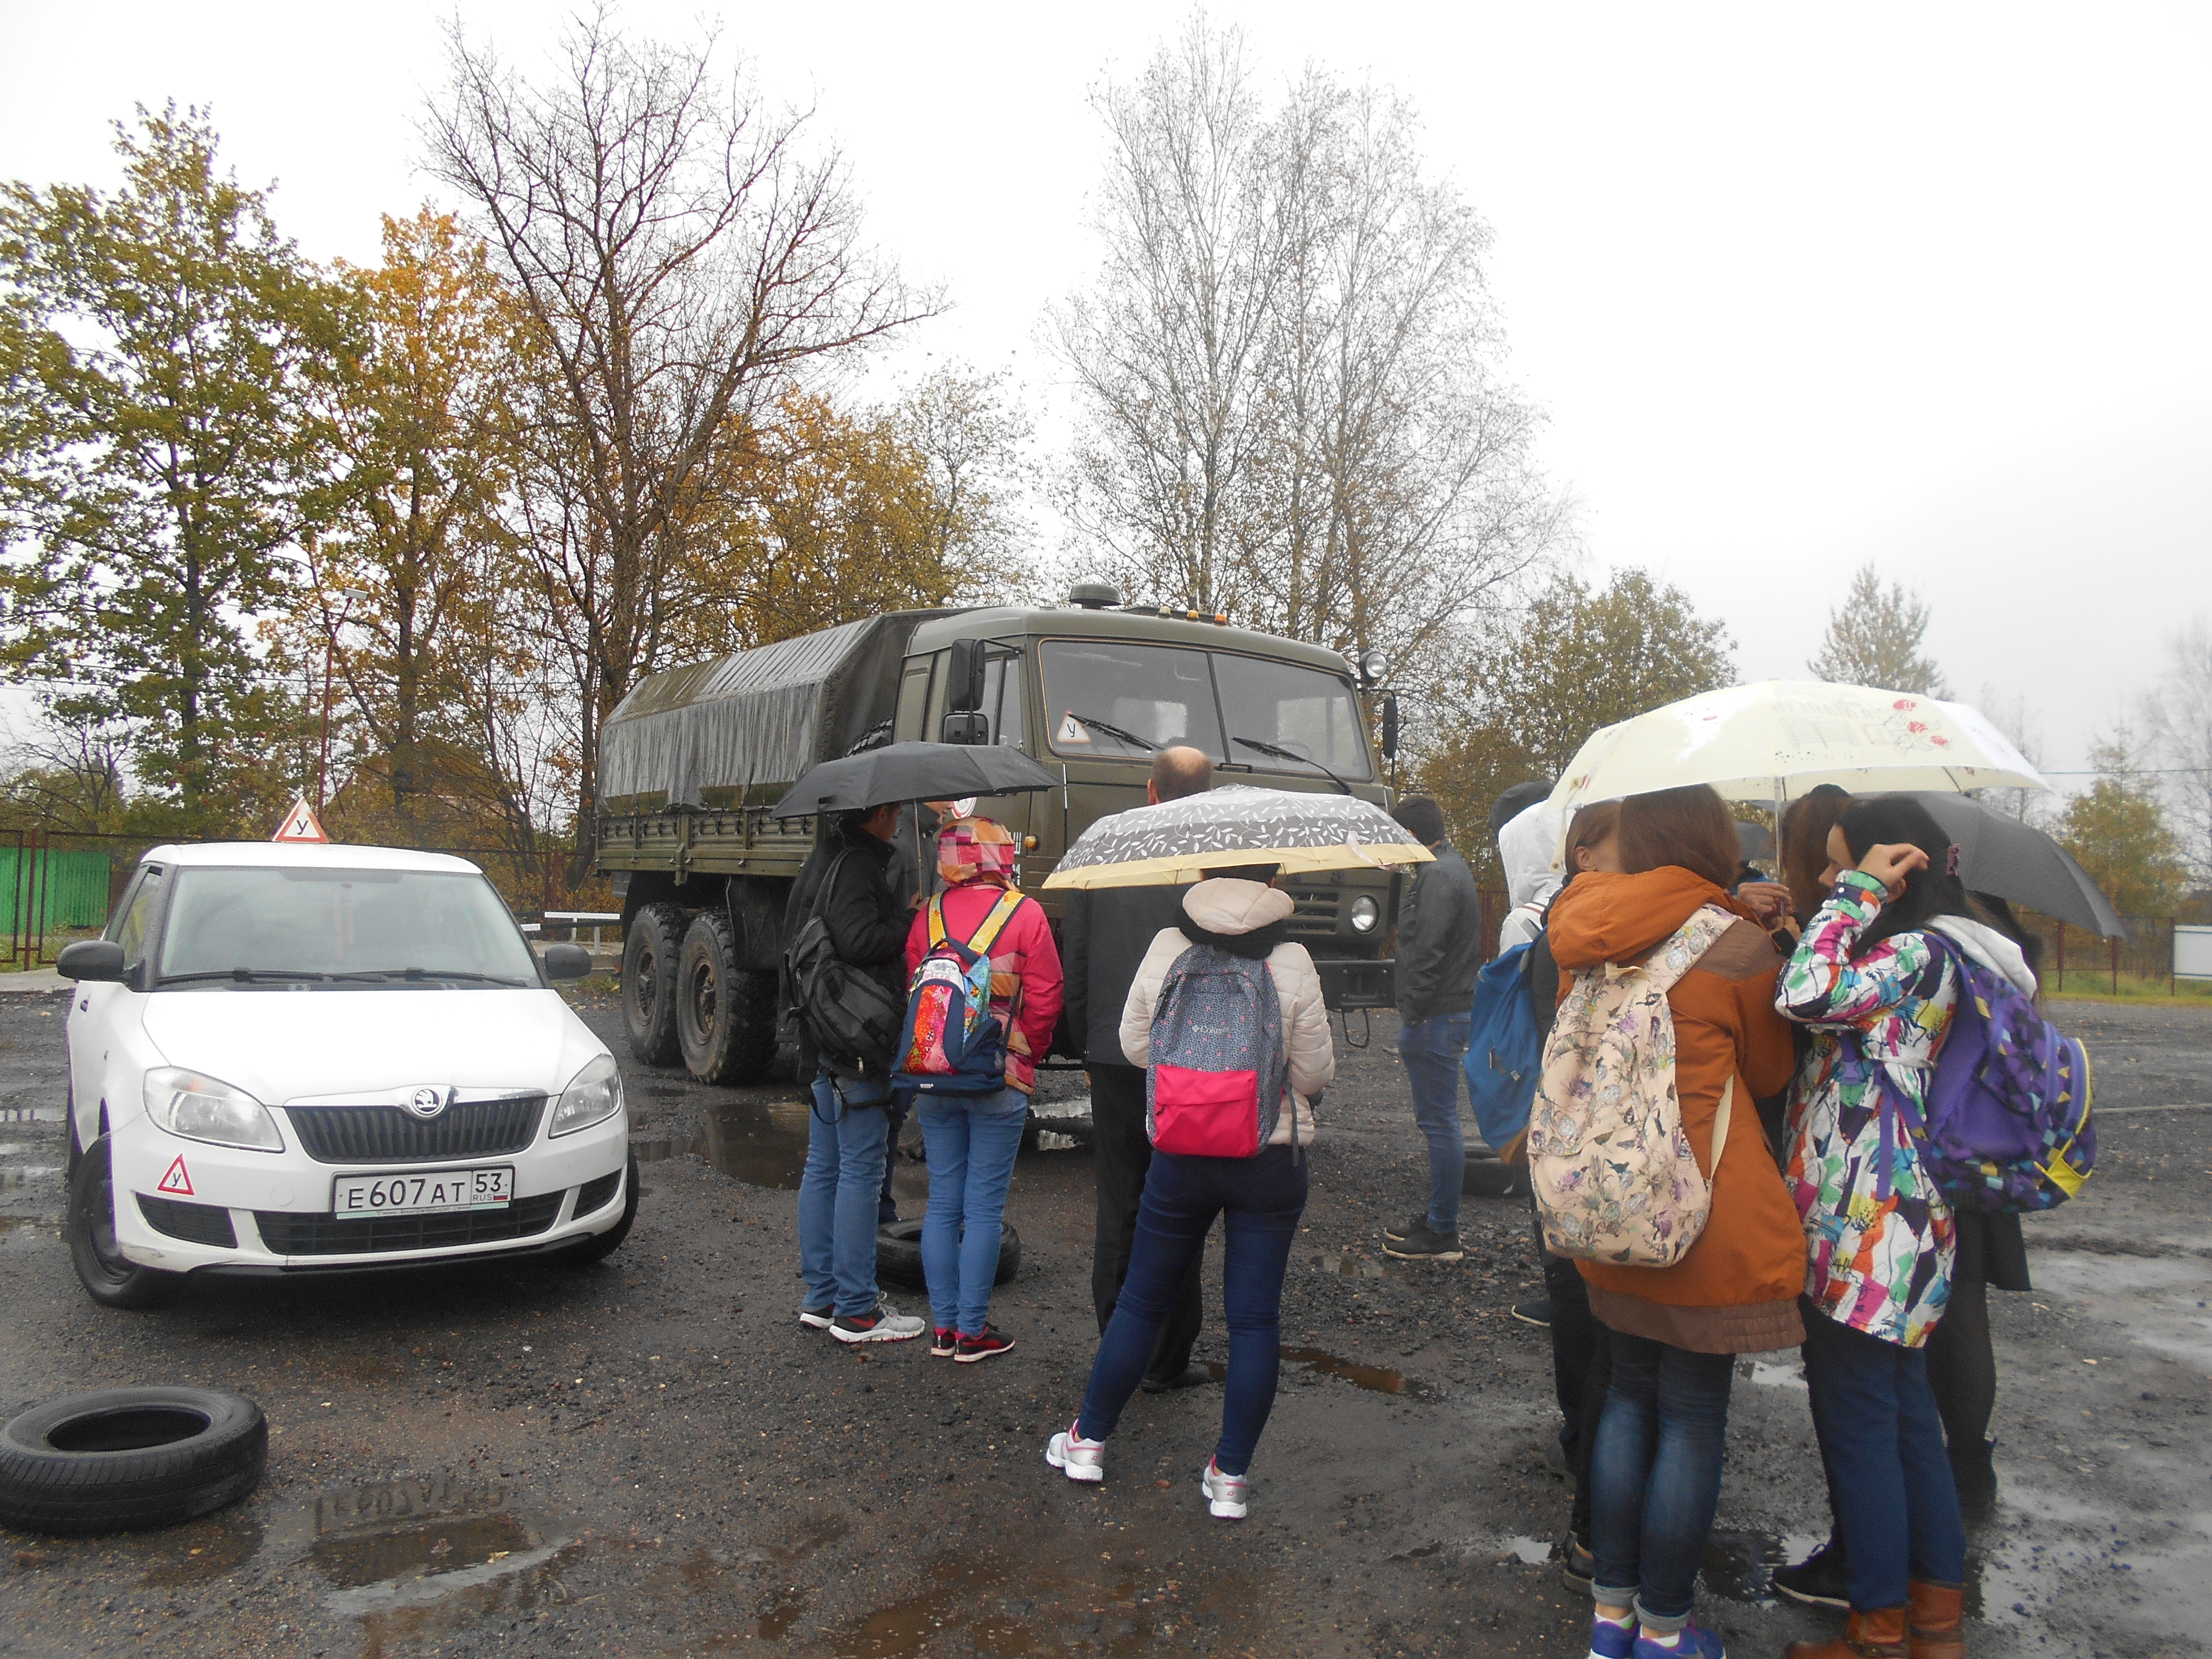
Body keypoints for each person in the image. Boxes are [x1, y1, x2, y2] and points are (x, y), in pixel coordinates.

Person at [1544, 785, 1802, 1659]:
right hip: (1704, 1216)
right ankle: (1664, 1631)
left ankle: (1610, 1622)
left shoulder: (1580, 931)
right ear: (1703, 838)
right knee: (1691, 1414)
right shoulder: (1736, 945)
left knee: (1625, 1399)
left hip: (1608, 1202)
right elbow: (1767, 1076)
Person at [1771, 794, 2024, 1659]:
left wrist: (1846, 902)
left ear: (1899, 865)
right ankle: (1933, 1615)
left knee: (1861, 1420)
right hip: (1900, 1215)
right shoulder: (1926, 953)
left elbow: (1802, 996)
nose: (1824, 878)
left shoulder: (1913, 954)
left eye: (1843, 861)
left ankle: (1876, 1621)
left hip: (1864, 1223)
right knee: (1907, 1417)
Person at [1045, 869, 1334, 1520]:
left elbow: (1134, 1046)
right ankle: (1229, 1478)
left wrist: (1198, 1074)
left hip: (1180, 1154)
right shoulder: (1291, 958)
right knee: (1255, 1320)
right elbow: (1314, 1072)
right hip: (1267, 1155)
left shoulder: (1167, 945)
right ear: (1275, 881)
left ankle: (1087, 1442)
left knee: (1144, 1302)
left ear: (1202, 876)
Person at [1063, 745, 1218, 1392]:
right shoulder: (1215, 864)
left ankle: (1117, 1346)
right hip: (1187, 1055)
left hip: (1110, 1050)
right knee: (1178, 1200)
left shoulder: (1102, 851)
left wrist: (1086, 1045)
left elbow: (1079, 957)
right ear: (1205, 794)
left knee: (1120, 1199)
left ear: (1150, 791)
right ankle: (1169, 1356)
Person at [903, 815, 1063, 1362]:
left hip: (936, 1074)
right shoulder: (1026, 914)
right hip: (999, 1076)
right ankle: (973, 1332)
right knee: (984, 1208)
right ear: (1001, 857)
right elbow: (1046, 1000)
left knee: (943, 1201)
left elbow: (915, 990)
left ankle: (943, 1329)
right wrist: (1024, 1054)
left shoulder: (927, 914)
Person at [786, 803, 926, 1344]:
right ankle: (857, 1310)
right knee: (860, 1174)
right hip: (856, 1041)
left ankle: (822, 1298)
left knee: (824, 1169)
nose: (898, 820)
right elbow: (859, 941)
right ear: (880, 814)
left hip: (825, 1035)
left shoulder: (824, 858)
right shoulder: (859, 865)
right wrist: (909, 918)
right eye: (893, 813)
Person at [1381, 794, 1483, 1261]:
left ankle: (1443, 1232)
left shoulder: (1437, 876)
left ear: (1410, 837)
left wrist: (1414, 1012)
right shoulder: (1446, 868)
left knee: (1440, 1123)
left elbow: (1427, 951)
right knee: (1439, 1122)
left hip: (1436, 1014)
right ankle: (1438, 1221)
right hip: (1445, 1010)